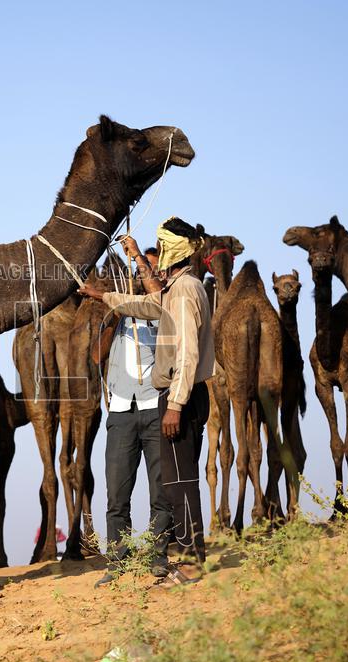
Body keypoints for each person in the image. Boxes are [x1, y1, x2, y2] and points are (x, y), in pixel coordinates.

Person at [79, 217, 215, 585]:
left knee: (177, 485)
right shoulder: (175, 291)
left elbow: (185, 352)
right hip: (140, 402)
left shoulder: (184, 291)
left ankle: (187, 563)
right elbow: (144, 304)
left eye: (161, 244)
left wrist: (174, 404)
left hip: (173, 399)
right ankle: (146, 559)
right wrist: (103, 297)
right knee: (163, 484)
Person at [93, 246, 174, 588]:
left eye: (150, 272)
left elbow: (155, 294)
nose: (143, 278)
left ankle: (158, 556)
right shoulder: (120, 314)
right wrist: (113, 310)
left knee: (160, 490)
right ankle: (118, 561)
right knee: (116, 493)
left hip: (155, 407)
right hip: (123, 410)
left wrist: (139, 258)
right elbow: (96, 356)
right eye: (141, 273)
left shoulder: (164, 310)